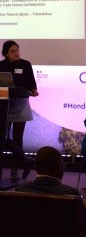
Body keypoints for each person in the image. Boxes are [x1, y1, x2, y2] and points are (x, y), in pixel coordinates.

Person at [16, 146, 86, 234]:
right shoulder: (70, 194)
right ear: (60, 166)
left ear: (36, 167)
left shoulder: (20, 190)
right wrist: (84, 209)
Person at [0, 40, 38, 181]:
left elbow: (32, 84)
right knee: (3, 138)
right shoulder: (1, 65)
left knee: (18, 137)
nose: (16, 53)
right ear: (6, 53)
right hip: (4, 106)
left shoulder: (25, 64)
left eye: (17, 50)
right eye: (12, 51)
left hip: (21, 105)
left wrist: (33, 91)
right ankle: (25, 161)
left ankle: (15, 170)